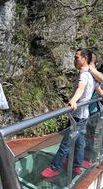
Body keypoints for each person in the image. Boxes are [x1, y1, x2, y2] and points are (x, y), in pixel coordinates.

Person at [41, 48, 95, 178]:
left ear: (84, 59)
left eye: (77, 57)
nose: (75, 59)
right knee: (80, 141)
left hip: (78, 115)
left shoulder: (84, 75)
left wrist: (73, 100)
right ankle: (77, 166)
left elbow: (81, 89)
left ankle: (55, 167)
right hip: (84, 114)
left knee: (66, 142)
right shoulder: (90, 75)